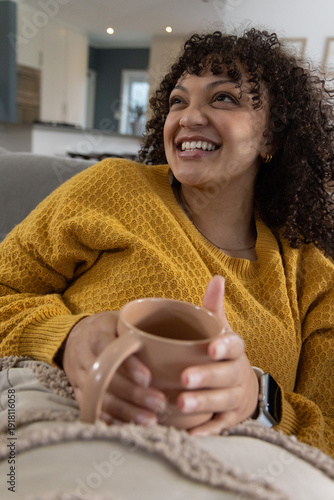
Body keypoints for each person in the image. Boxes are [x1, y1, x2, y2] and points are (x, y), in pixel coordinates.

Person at [0, 28, 333, 459]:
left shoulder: (312, 274)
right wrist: (66, 338)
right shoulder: (113, 189)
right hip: (64, 442)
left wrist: (257, 398)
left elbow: (327, 432)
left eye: (223, 98)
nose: (188, 118)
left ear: (271, 136)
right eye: (179, 100)